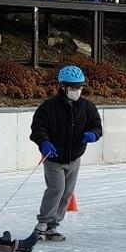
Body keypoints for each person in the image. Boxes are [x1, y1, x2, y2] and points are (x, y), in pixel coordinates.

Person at [29, 65, 102, 242]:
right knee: (56, 189)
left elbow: (97, 126)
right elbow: (38, 128)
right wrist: (44, 142)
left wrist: (93, 134)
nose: (76, 91)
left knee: (67, 192)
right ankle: (43, 223)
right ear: (63, 87)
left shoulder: (87, 107)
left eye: (79, 87)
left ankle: (53, 226)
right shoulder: (49, 107)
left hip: (74, 157)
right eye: (73, 87)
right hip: (54, 158)